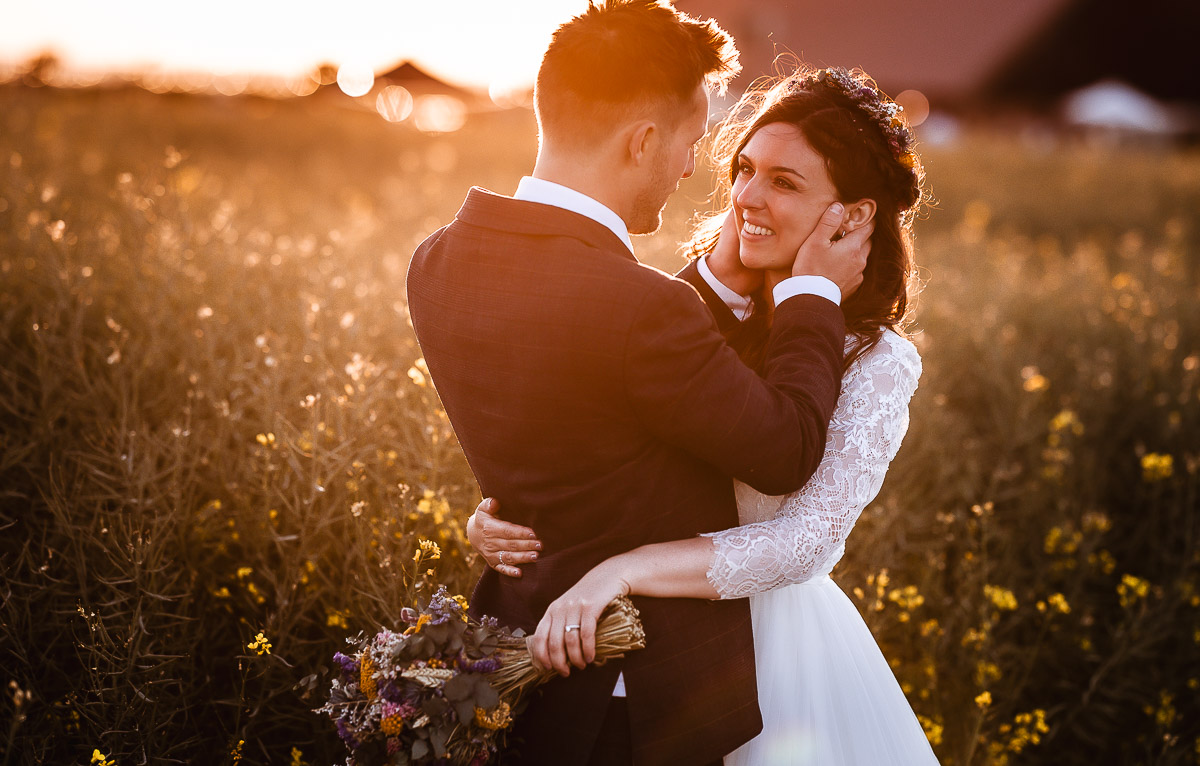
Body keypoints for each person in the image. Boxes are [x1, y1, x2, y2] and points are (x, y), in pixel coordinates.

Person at [405, 1, 873, 762]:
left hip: (507, 654)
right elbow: (786, 450)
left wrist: (715, 284)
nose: (692, 168)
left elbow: (584, 400)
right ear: (644, 140)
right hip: (631, 690)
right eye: (690, 143)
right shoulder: (642, 308)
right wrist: (813, 296)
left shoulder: (435, 263)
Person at [469, 66, 939, 765]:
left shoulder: (876, 359)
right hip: (627, 653)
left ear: (853, 216)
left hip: (773, 655)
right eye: (745, 169)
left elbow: (803, 543)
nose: (746, 194)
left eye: (784, 182)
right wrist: (503, 509)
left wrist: (620, 570)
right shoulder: (683, 310)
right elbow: (595, 431)